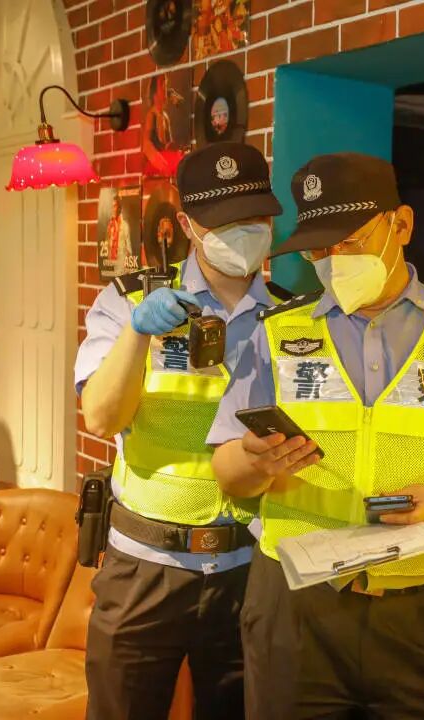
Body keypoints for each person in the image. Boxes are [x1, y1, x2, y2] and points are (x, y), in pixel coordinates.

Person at [209, 152, 424, 719]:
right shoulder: (276, 335)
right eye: (319, 251)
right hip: (294, 609)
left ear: (401, 226)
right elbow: (225, 472)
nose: (334, 263)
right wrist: (255, 461)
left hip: (410, 610)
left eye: (349, 242)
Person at [76, 141, 288, 720]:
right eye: (225, 222)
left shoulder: (291, 318)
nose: (242, 233)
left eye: (254, 218)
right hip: (144, 568)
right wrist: (137, 333)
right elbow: (100, 417)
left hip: (248, 568)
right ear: (190, 225)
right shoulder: (130, 300)